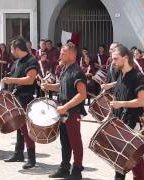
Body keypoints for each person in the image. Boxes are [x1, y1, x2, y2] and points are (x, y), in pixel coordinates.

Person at [102, 44, 144, 180]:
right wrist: (109, 116)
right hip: (120, 123)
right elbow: (117, 99)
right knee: (120, 158)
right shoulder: (120, 75)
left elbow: (141, 101)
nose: (113, 62)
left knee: (135, 159)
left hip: (132, 122)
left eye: (116, 59)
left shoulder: (137, 76)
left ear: (125, 58)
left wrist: (121, 104)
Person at [42, 43, 87, 180]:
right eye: (61, 52)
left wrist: (66, 107)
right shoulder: (64, 69)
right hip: (63, 112)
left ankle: (77, 170)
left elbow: (82, 94)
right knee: (65, 143)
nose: (60, 54)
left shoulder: (77, 71)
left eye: (63, 52)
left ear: (72, 54)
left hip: (72, 113)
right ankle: (64, 168)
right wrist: (49, 86)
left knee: (75, 142)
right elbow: (61, 86)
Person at [3, 38, 39, 169]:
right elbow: (12, 79)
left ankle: (31, 158)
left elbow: (30, 80)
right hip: (16, 99)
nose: (11, 52)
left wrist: (11, 79)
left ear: (17, 49)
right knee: (19, 128)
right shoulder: (16, 62)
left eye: (12, 49)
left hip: (25, 99)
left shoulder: (31, 60)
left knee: (26, 130)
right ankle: (18, 153)